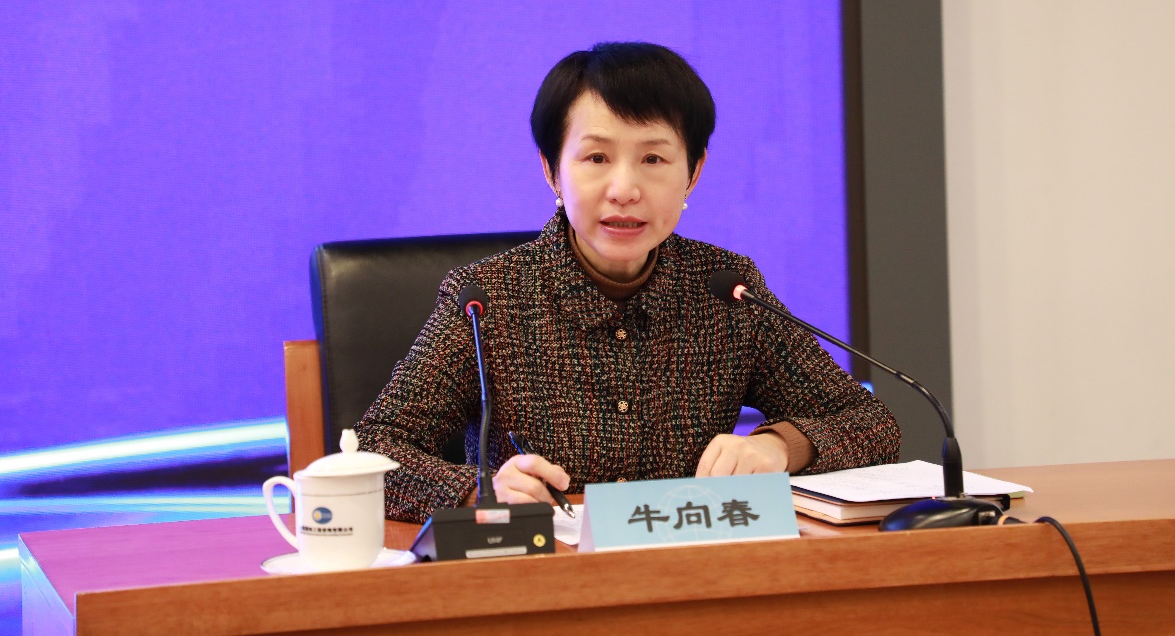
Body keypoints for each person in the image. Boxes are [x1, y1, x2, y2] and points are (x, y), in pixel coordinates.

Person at [354, 42, 900, 521]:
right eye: (596, 157)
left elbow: (869, 422)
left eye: (653, 158)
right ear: (552, 170)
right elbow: (374, 450)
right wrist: (480, 491)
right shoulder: (487, 298)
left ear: (694, 172)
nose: (624, 189)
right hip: (542, 575)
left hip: (688, 569)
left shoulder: (726, 288)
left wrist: (779, 447)